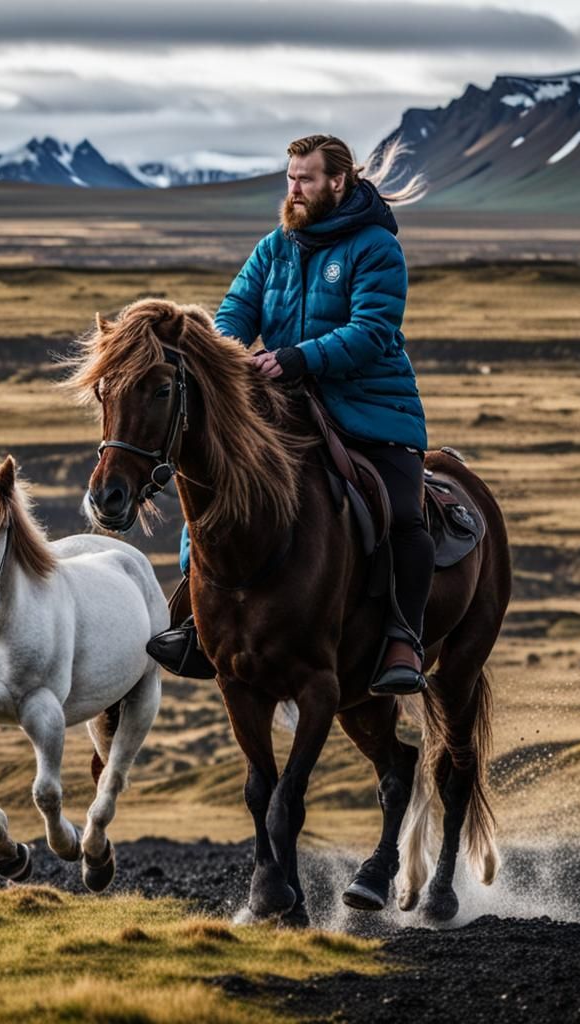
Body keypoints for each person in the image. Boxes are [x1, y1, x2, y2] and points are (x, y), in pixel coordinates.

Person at [160, 134, 433, 696]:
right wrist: (223, 354)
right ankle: (194, 621)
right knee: (214, 493)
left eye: (305, 179)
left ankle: (404, 638)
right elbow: (236, 310)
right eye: (289, 178)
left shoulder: (377, 249)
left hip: (370, 408)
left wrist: (293, 358)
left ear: (337, 182)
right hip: (283, 408)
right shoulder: (273, 247)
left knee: (404, 514)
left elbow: (371, 333)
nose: (294, 189)